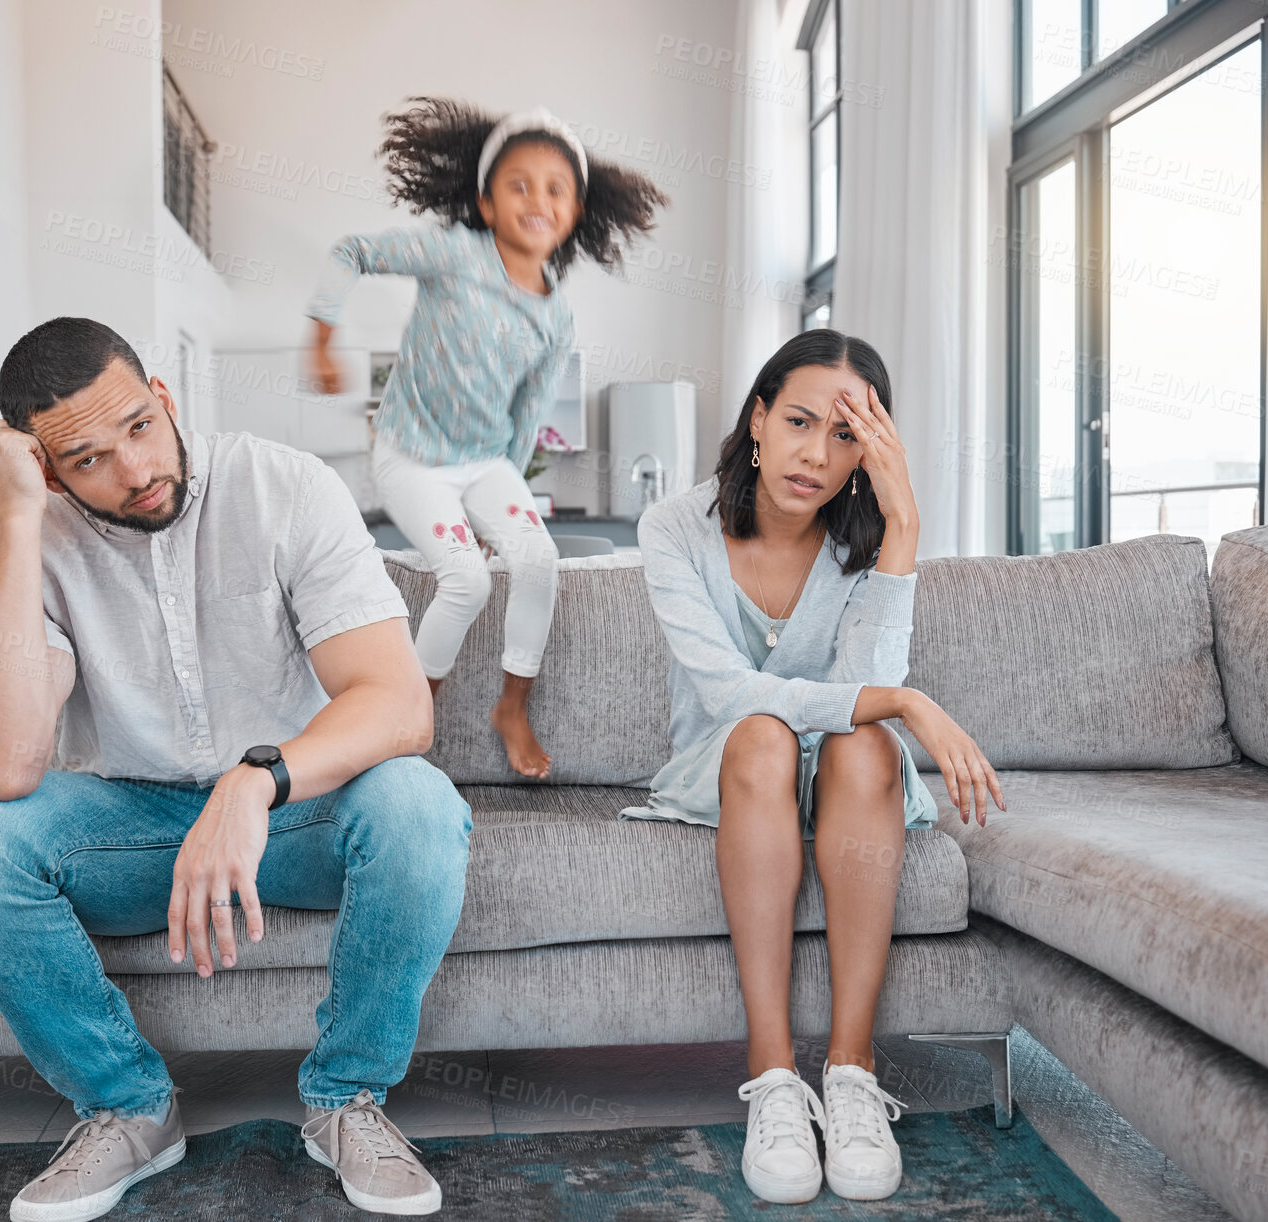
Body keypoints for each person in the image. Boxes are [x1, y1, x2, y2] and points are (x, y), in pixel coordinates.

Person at [0, 317, 472, 1220]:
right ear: (48, 469)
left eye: (139, 427)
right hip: (125, 827)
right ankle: (128, 1108)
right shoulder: (17, 542)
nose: (135, 473)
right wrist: (18, 518)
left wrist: (253, 780)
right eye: (89, 460)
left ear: (165, 399)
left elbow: (398, 706)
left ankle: (345, 1101)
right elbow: (3, 763)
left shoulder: (284, 485)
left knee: (416, 804)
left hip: (293, 813)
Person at [621, 328, 1006, 1204]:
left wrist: (903, 523)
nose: (814, 455)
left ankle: (852, 1073)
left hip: (849, 776)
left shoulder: (864, 534)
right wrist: (906, 705)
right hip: (730, 766)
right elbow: (729, 694)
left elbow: (861, 691)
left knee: (864, 738)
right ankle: (772, 1081)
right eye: (798, 421)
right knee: (763, 730)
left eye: (844, 437)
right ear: (758, 418)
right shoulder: (674, 527)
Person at [305, 96, 668, 780]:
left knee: (537, 560)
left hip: (482, 466)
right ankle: (407, 710)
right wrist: (322, 335)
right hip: (410, 457)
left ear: (575, 213)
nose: (538, 199)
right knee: (466, 580)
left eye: (556, 189)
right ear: (488, 202)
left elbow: (526, 417)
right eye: (520, 184)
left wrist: (494, 506)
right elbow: (351, 250)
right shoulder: (455, 255)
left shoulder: (555, 319)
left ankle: (511, 705)